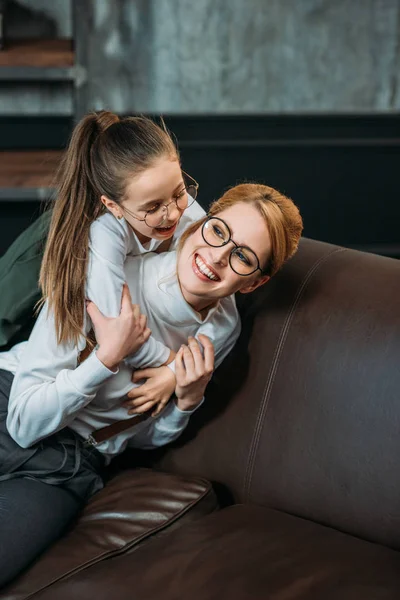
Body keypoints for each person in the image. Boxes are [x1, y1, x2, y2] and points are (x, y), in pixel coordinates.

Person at [0, 181, 303, 586]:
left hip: (71, 466)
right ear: (197, 224)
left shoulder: (221, 328)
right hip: (13, 398)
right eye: (217, 231)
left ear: (253, 283)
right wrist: (109, 358)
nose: (216, 258)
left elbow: (141, 436)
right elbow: (27, 421)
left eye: (243, 257)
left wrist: (186, 400)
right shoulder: (114, 269)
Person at [0, 110, 238, 416]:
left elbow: (225, 308)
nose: (173, 214)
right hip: (19, 309)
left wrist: (177, 376)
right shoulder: (103, 231)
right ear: (113, 206)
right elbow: (118, 330)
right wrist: (172, 365)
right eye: (153, 207)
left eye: (179, 192)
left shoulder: (185, 209)